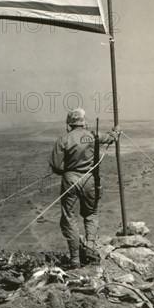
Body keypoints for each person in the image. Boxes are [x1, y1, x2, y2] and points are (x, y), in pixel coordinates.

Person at [49, 108, 121, 269]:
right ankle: (89, 247)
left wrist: (67, 169)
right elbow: (111, 138)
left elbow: (55, 165)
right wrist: (116, 132)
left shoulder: (64, 139)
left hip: (70, 179)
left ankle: (75, 259)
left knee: (68, 217)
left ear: (69, 123)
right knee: (91, 213)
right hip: (90, 178)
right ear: (84, 121)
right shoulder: (93, 136)